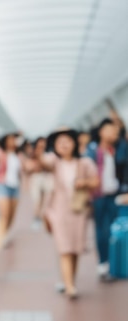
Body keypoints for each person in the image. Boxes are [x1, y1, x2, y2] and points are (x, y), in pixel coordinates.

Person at [42, 129, 99, 299]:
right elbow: (42, 164)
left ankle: (70, 281)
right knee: (64, 248)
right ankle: (69, 286)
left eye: (67, 141)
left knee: (75, 248)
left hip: (78, 211)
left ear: (75, 142)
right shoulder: (54, 162)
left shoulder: (85, 163)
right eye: (59, 142)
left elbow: (96, 181)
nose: (64, 145)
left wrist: (85, 182)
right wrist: (38, 153)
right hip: (58, 211)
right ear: (55, 147)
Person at [85, 118, 121, 280]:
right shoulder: (92, 151)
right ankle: (103, 264)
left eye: (115, 131)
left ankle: (115, 264)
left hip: (115, 195)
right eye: (110, 130)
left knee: (115, 230)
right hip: (98, 196)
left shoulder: (119, 149)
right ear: (101, 132)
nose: (114, 134)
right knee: (102, 230)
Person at [0, 132, 23, 243]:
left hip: (15, 186)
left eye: (14, 139)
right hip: (2, 185)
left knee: (12, 215)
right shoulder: (0, 152)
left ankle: (6, 232)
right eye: (10, 139)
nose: (13, 141)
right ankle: (3, 236)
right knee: (5, 214)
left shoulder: (18, 155)